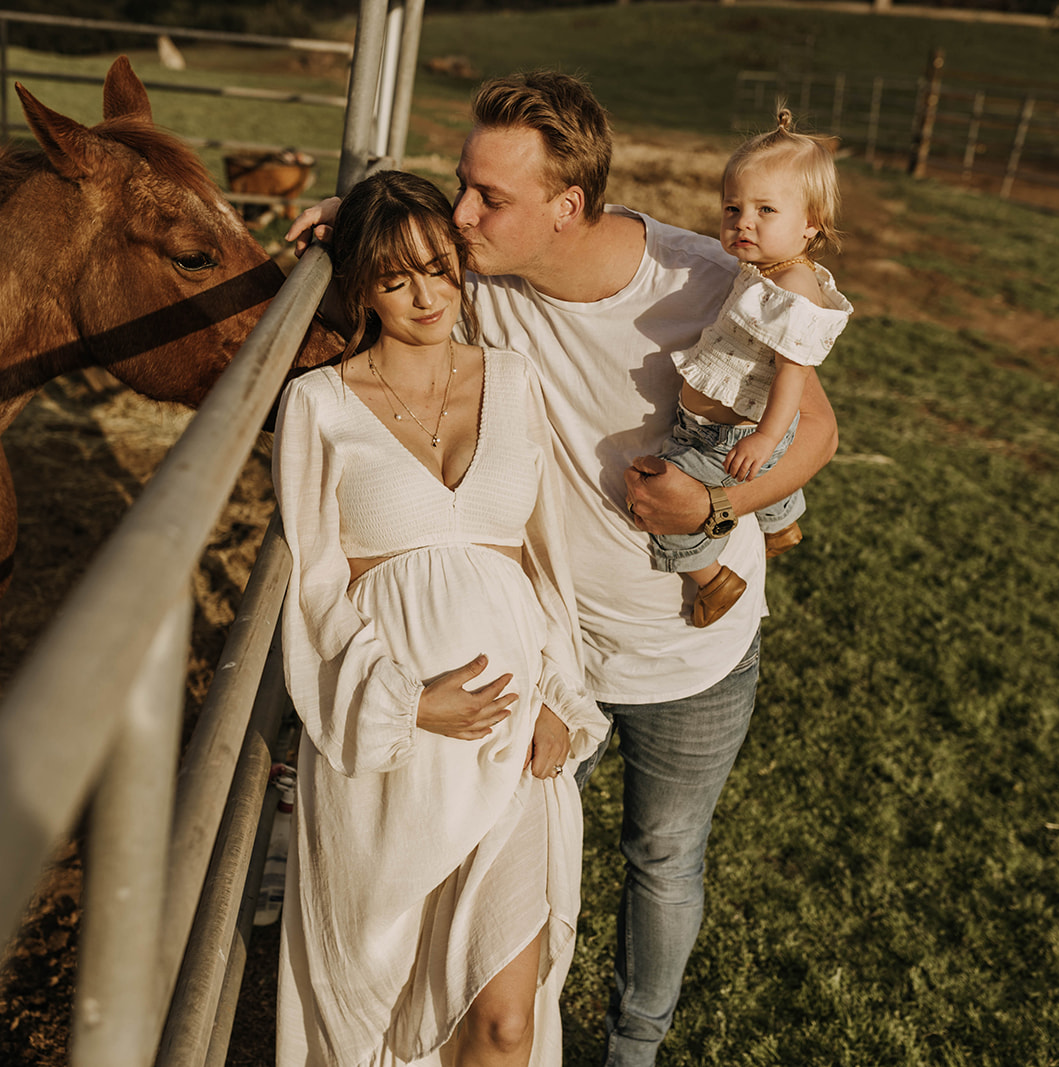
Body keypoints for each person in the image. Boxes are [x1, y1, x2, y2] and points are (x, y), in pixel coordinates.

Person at [289, 72, 838, 1066]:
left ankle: (632, 1047)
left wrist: (712, 505)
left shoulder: (703, 282)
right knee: (504, 880)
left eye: (487, 198)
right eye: (462, 185)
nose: (462, 215)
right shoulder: (479, 281)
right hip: (550, 657)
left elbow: (818, 430)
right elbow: (408, 251)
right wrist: (352, 218)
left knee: (662, 857)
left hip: (692, 646)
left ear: (567, 206)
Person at [272, 168, 609, 1067]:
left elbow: (544, 561)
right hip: (393, 752)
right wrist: (405, 704)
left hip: (512, 741)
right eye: (395, 279)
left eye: (439, 269)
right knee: (388, 1018)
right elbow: (313, 589)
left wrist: (556, 694)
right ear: (362, 290)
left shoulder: (515, 377)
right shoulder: (318, 404)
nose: (426, 297)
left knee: (505, 1021)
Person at [646, 108, 853, 628]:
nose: (744, 222)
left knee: (658, 495)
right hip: (718, 426)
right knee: (757, 458)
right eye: (733, 208)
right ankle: (782, 522)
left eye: (766, 210)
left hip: (731, 435)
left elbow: (793, 373)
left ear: (810, 225)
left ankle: (712, 578)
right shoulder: (768, 270)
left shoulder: (794, 289)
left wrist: (763, 438)